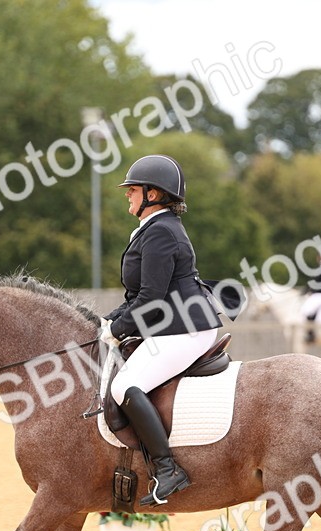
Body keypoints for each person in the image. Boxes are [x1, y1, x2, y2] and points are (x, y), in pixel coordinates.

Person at [100, 154, 222, 506]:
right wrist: (108, 322)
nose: (128, 195)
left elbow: (152, 297)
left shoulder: (161, 233)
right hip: (174, 324)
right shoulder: (155, 229)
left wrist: (120, 329)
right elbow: (138, 296)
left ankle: (168, 470)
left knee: (125, 385)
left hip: (186, 328)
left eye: (133, 190)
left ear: (152, 194)